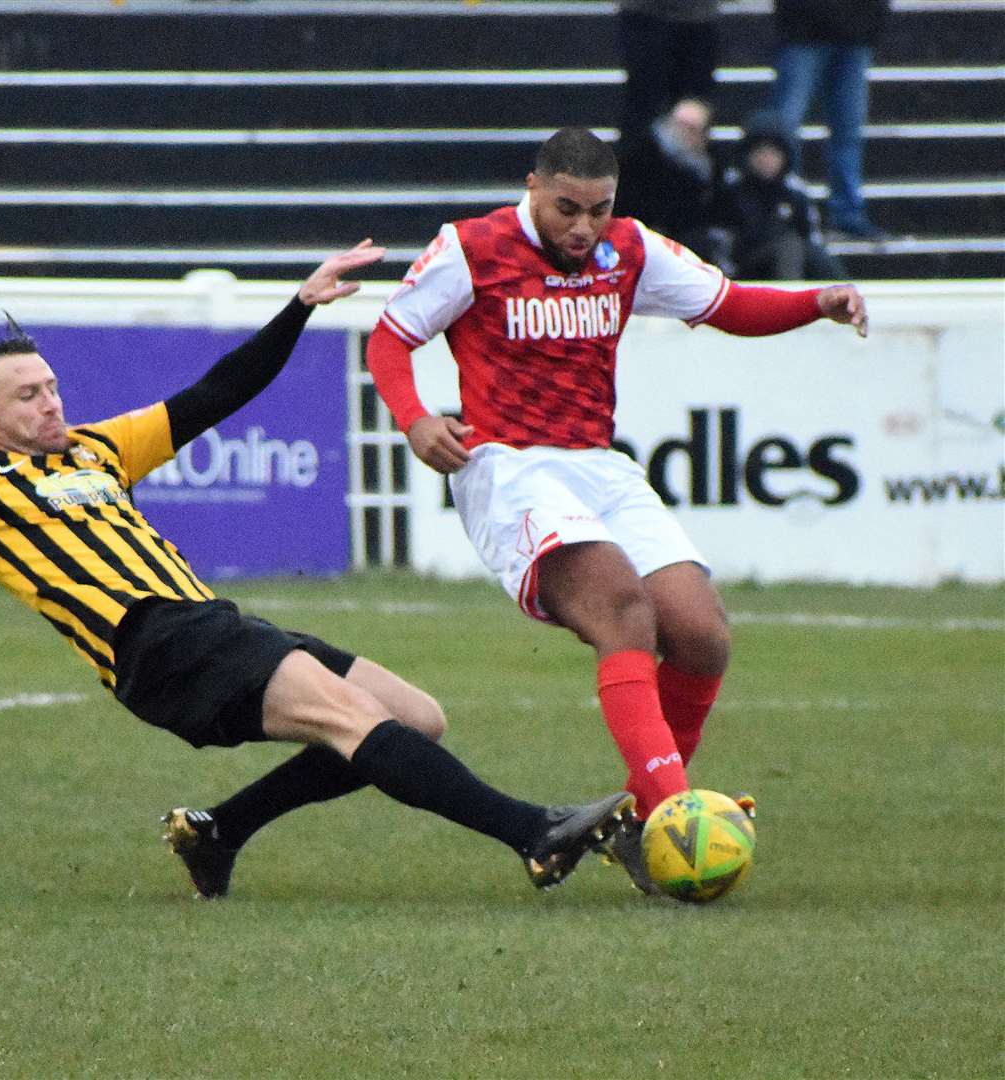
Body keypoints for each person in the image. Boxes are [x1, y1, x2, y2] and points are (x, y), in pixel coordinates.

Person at [0, 241, 634, 901]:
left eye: (51, 386)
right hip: (158, 646)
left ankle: (219, 834)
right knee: (356, 723)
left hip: (208, 624)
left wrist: (296, 306)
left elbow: (216, 392)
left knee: (413, 717)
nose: (49, 403)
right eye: (27, 395)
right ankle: (532, 834)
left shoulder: (92, 450)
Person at [365, 129, 867, 894]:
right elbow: (390, 340)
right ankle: (674, 817)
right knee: (625, 610)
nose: (582, 227)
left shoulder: (630, 248)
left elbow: (727, 303)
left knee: (702, 635)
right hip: (507, 466)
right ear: (532, 186)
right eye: (566, 208)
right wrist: (415, 419)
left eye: (598, 210)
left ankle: (640, 824)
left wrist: (817, 302)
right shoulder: (473, 247)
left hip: (599, 464)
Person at [772, 0, 890, 240]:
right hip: (807, 31)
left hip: (852, 31)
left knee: (847, 132)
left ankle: (847, 211)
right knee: (785, 130)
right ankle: (782, 206)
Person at [717, 110, 848, 281]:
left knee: (804, 251)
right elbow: (723, 242)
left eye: (773, 154)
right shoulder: (731, 192)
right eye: (761, 152)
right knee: (789, 247)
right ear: (747, 154)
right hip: (745, 268)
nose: (766, 159)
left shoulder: (795, 193)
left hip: (791, 259)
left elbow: (811, 239)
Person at [613, 98, 728, 270]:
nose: (683, 133)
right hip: (650, 245)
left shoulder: (712, 166)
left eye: (693, 129)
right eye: (680, 125)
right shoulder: (636, 162)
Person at [616, 0, 721, 153]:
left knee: (693, 107)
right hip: (645, 15)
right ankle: (634, 168)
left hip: (698, 17)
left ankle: (691, 168)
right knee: (644, 106)